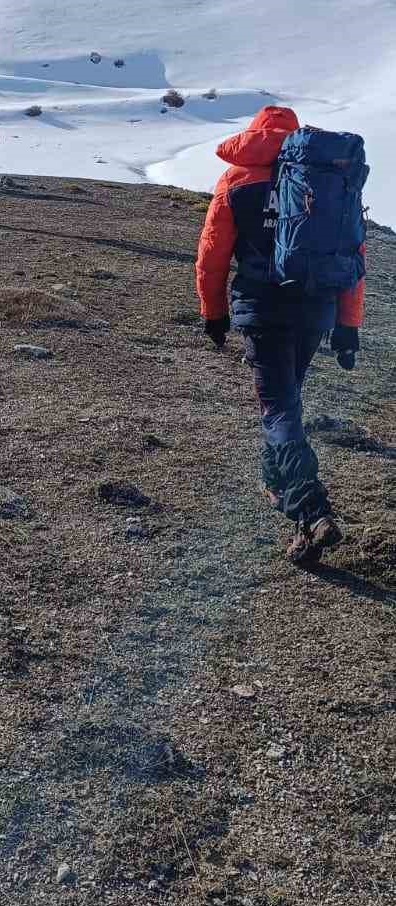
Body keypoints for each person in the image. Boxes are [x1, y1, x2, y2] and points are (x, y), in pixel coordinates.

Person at [196, 106, 365, 566]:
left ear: (254, 133)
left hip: (262, 309)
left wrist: (214, 312)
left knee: (278, 408)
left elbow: (212, 253)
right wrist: (348, 324)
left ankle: (311, 507)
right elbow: (354, 252)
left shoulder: (237, 179)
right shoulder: (327, 177)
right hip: (315, 308)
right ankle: (282, 496)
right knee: (285, 403)